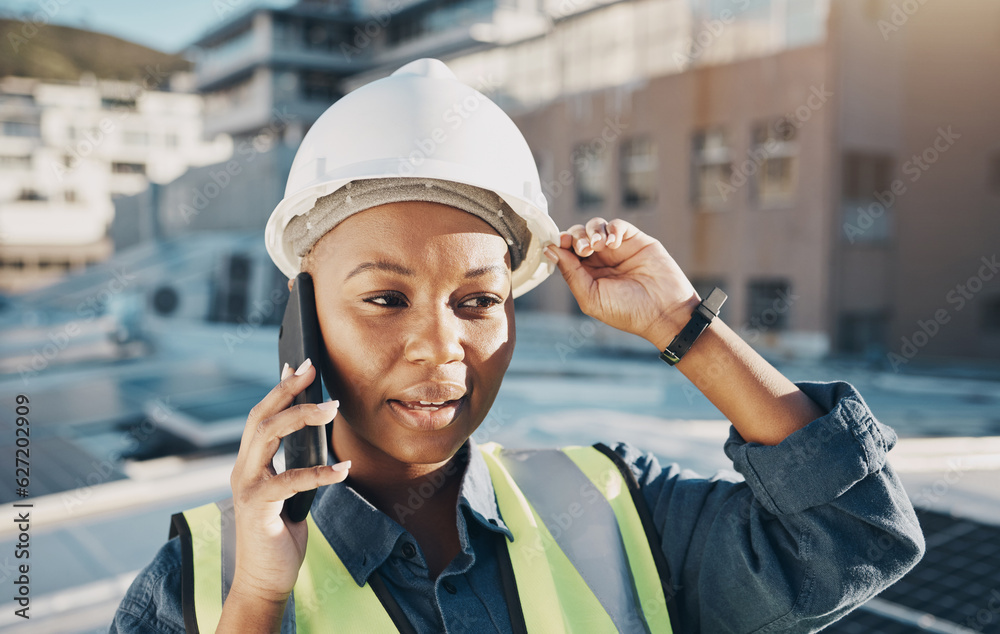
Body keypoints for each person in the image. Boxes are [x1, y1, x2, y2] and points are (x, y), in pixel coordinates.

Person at [110, 59, 924, 633]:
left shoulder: (613, 509)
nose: (441, 348)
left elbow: (857, 535)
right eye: (386, 299)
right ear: (304, 314)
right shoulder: (196, 582)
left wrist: (684, 324)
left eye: (478, 301)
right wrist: (255, 599)